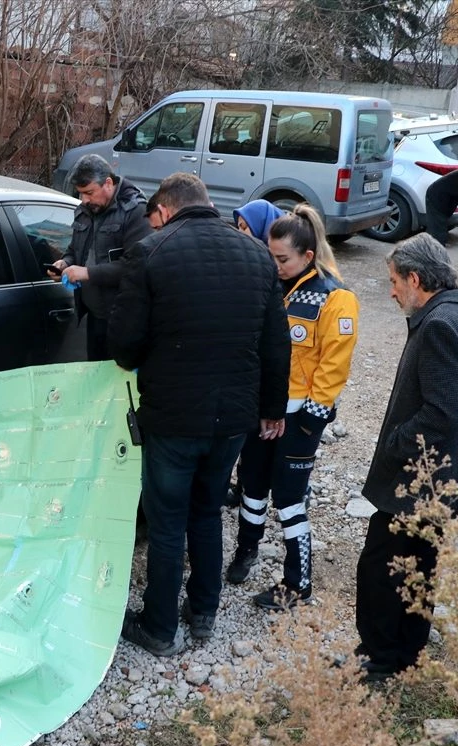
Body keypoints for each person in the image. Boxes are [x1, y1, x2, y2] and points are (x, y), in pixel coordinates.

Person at [107, 172, 291, 656]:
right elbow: (276, 345)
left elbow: (124, 347)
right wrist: (272, 408)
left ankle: (160, 627)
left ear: (165, 210)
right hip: (233, 417)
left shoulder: (150, 252)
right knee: (207, 512)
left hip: (173, 416)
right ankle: (204, 612)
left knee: (168, 522)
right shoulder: (258, 256)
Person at [355, 233, 458, 682]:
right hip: (444, 478)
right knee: (420, 569)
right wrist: (453, 439)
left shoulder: (437, 325)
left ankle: (379, 661)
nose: (393, 291)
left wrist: (400, 441)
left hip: (415, 482)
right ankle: (408, 656)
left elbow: (445, 411)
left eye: (395, 281)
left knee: (381, 572)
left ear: (416, 279)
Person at [226, 204, 360, 611]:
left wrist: (308, 421)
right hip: (260, 411)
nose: (275, 265)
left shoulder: (335, 299)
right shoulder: (268, 288)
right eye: (270, 256)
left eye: (282, 259)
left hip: (299, 420)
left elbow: (332, 368)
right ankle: (246, 550)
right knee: (252, 485)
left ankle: (298, 582)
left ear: (307, 255)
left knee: (289, 498)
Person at [48, 154, 153, 359]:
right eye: (80, 194)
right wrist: (66, 263)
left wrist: (87, 273)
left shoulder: (136, 211)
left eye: (89, 193)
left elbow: (136, 267)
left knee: (118, 382)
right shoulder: (87, 208)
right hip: (94, 314)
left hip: (123, 317)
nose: (84, 200)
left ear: (107, 183)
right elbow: (75, 249)